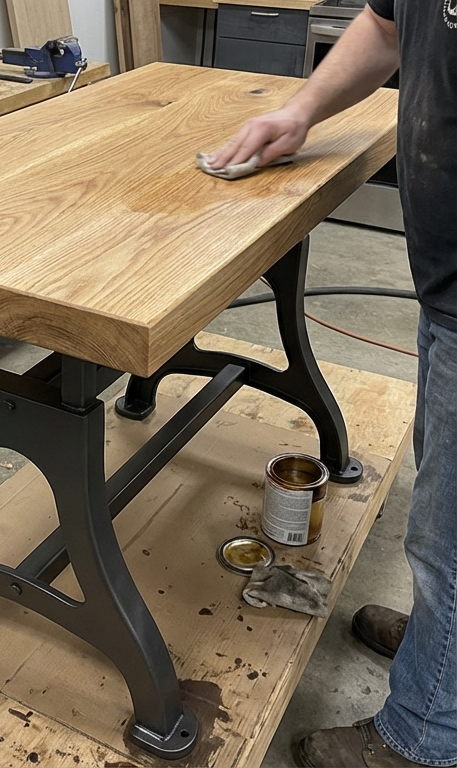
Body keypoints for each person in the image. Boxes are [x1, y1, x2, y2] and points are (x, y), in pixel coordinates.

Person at [206, 1, 455, 765]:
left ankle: (424, 732)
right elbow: (386, 24)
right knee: (442, 492)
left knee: (448, 535)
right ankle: (442, 651)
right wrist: (300, 111)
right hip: (446, 282)